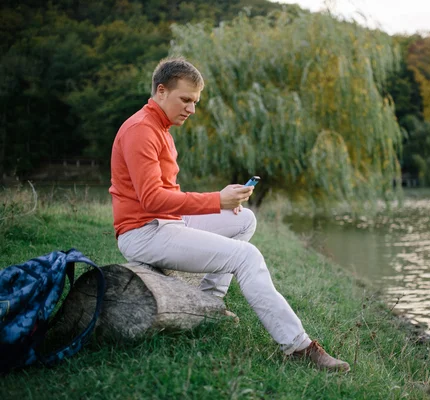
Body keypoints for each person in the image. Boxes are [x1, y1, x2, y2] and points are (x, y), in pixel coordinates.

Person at [109, 57, 350, 372]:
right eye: (185, 100)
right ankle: (298, 346)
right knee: (246, 257)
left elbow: (167, 194)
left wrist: (225, 201)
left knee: (244, 219)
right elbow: (152, 199)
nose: (192, 109)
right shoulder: (142, 130)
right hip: (144, 233)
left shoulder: (160, 127)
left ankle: (210, 303)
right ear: (161, 90)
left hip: (164, 223)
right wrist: (215, 200)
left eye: (195, 102)